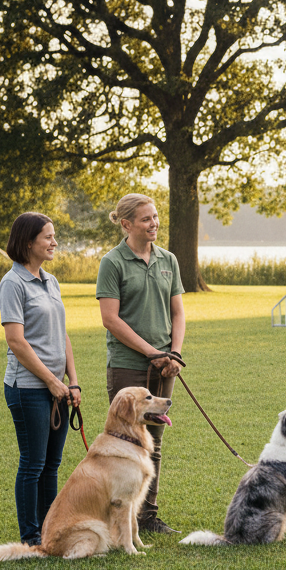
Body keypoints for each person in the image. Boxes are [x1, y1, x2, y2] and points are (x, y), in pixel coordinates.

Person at [96, 194, 185, 534]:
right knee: (124, 443)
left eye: (156, 217)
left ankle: (146, 518)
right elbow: (111, 319)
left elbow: (178, 312)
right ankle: (118, 516)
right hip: (128, 366)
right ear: (126, 223)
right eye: (146, 219)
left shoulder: (169, 260)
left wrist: (173, 353)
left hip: (165, 365)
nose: (154, 223)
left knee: (154, 444)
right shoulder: (112, 262)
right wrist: (152, 352)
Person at [0, 212, 82, 546]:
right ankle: (31, 537)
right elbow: (16, 340)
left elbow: (62, 335)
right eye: (47, 237)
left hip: (57, 387)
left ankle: (51, 531)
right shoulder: (12, 283)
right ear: (28, 242)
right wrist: (50, 380)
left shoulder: (51, 280)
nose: (54, 242)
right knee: (33, 463)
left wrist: (72, 381)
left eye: (53, 236)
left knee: (52, 464)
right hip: (29, 388)